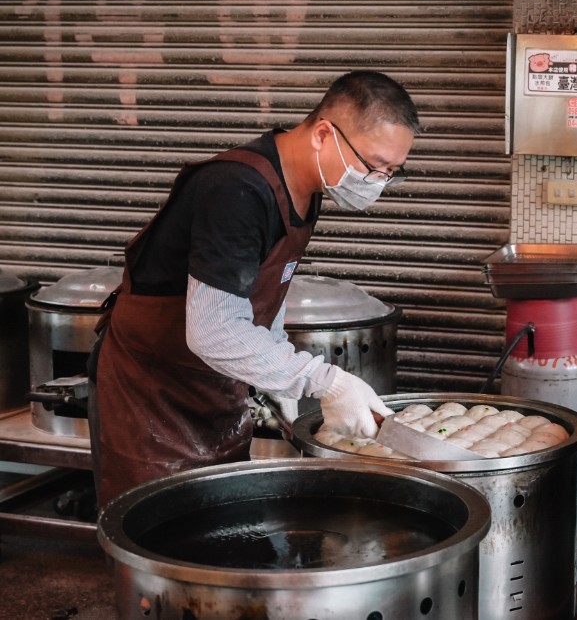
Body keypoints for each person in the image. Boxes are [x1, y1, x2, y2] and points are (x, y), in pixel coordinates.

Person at [87, 70, 420, 508]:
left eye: (391, 172)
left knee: (219, 524)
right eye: (373, 165)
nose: (377, 181)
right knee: (161, 530)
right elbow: (212, 329)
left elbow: (262, 293)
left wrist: (275, 372)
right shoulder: (237, 189)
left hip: (212, 384)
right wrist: (322, 380)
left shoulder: (307, 187)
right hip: (152, 392)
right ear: (324, 134)